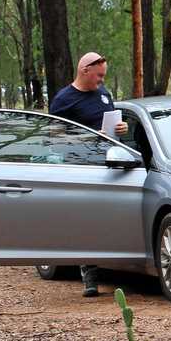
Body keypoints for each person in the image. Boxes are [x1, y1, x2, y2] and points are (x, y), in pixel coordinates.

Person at [49, 52, 130, 298]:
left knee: (108, 218)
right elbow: (53, 136)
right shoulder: (64, 100)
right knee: (86, 220)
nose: (102, 81)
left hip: (108, 163)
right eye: (99, 76)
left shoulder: (104, 96)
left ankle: (119, 266)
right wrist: (88, 135)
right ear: (85, 70)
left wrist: (122, 128)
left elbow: (112, 126)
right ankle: (89, 274)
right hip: (79, 166)